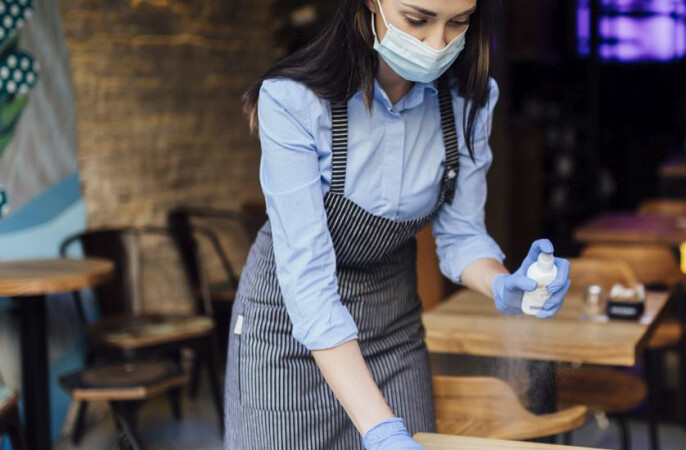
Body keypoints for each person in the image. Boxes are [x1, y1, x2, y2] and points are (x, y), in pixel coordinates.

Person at [224, 0, 571, 448]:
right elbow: (308, 283)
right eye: (418, 19)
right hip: (286, 337)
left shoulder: (469, 102)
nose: (437, 43)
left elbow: (461, 236)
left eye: (458, 23)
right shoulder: (293, 100)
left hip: (394, 333)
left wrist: (503, 283)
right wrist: (381, 428)